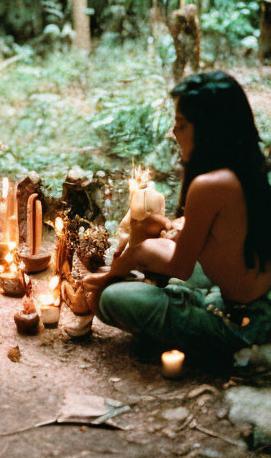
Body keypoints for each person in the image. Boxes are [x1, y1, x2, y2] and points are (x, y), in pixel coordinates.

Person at [83, 71, 271, 360]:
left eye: (181, 124)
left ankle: (219, 346)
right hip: (257, 298)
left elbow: (180, 267)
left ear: (209, 131)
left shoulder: (209, 186)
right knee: (156, 252)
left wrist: (114, 273)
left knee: (109, 300)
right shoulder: (250, 165)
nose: (174, 133)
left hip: (242, 324)